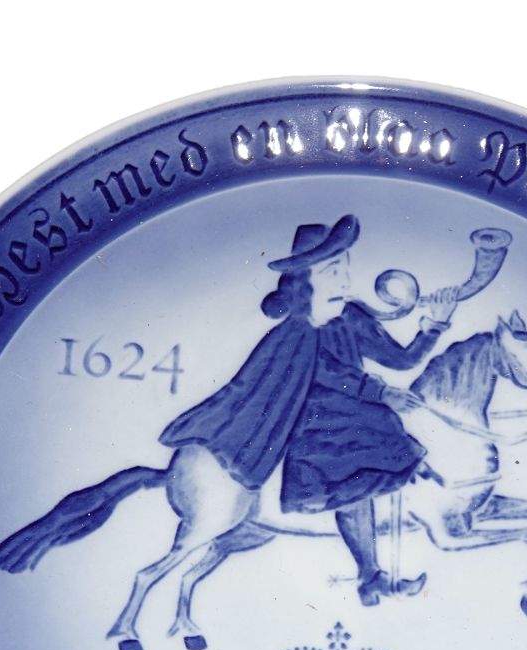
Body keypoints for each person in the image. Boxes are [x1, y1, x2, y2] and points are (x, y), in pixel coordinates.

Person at [160, 214, 457, 604]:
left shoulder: (351, 318)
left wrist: (434, 327)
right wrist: (379, 391)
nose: (345, 283)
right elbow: (326, 372)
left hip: (356, 412)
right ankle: (370, 574)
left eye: (346, 270)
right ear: (305, 281)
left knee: (377, 450)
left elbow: (401, 360)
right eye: (334, 273)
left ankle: (375, 571)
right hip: (315, 420)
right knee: (360, 457)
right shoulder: (296, 331)